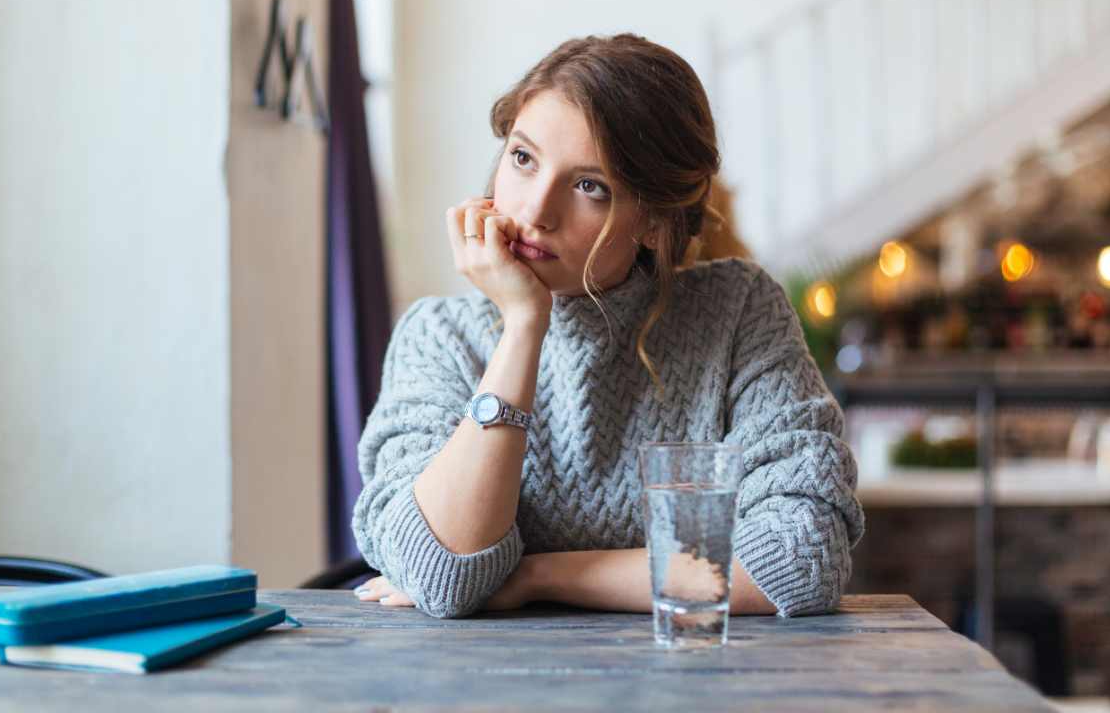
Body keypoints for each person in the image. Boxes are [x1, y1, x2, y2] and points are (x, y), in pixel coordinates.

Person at [351, 33, 864, 619]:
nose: (534, 212)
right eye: (522, 158)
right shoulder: (439, 335)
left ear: (652, 219)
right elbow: (440, 574)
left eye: (589, 186)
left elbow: (801, 560)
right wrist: (523, 326)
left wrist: (539, 575)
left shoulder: (737, 311)